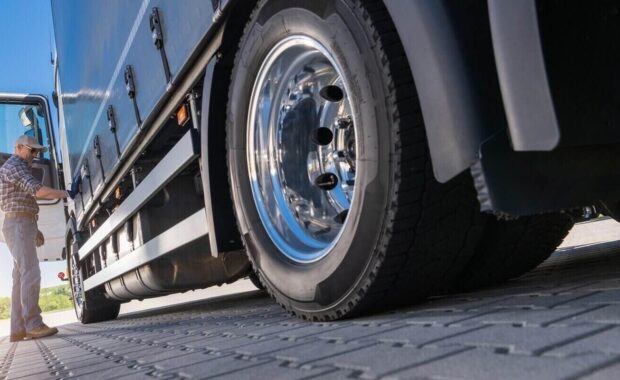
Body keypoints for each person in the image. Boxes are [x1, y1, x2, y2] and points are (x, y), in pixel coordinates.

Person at [0, 135, 79, 342]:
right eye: (31, 150)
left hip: (19, 222)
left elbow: (22, 201)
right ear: (18, 147)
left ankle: (18, 329)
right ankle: (33, 324)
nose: (35, 155)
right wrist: (68, 193)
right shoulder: (15, 165)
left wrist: (34, 229)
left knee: (20, 276)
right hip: (18, 224)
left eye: (37, 152)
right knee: (30, 272)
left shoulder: (17, 166)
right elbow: (38, 191)